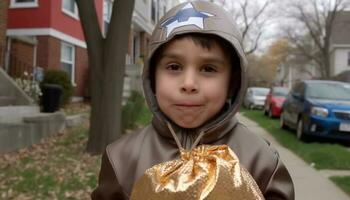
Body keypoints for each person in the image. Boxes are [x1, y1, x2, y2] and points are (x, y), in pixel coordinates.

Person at [92, 1, 294, 200]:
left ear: (232, 83)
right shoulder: (122, 159)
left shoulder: (261, 161)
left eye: (208, 69)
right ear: (152, 77)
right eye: (174, 67)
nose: (189, 84)